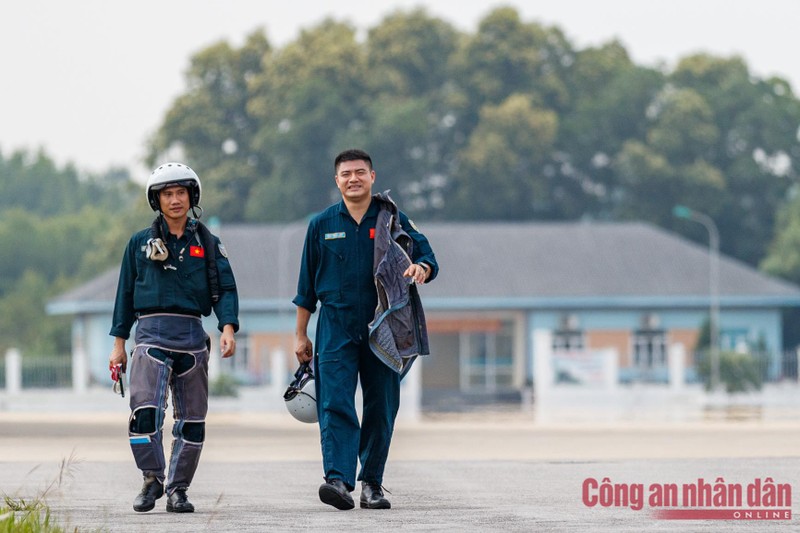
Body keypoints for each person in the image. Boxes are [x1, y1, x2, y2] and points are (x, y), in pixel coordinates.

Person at [293, 148, 438, 510]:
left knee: (381, 404)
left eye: (360, 172)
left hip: (384, 324)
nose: (353, 178)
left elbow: (428, 257)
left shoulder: (394, 219)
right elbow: (305, 289)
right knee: (335, 402)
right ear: (336, 180)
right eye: (346, 174)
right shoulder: (322, 225)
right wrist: (300, 334)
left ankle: (372, 482)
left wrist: (421, 268)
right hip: (335, 325)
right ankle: (338, 480)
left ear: (373, 177)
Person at [108, 162, 239, 513]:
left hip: (192, 338)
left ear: (191, 196)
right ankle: (152, 480)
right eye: (167, 194)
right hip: (150, 336)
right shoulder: (139, 244)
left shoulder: (208, 242)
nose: (175, 200)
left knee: (193, 421)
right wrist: (119, 344)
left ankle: (179, 489)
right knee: (144, 413)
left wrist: (228, 328)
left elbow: (225, 289)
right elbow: (124, 296)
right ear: (157, 200)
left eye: (181, 192)